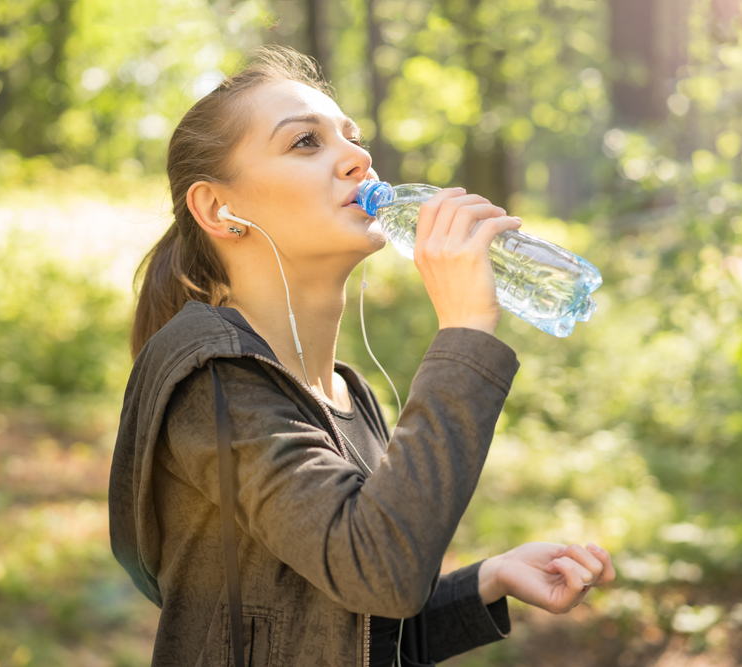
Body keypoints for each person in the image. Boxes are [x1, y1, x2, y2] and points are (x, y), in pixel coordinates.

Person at [108, 46, 614, 667]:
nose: (359, 158)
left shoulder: (349, 397)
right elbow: (380, 571)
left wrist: (489, 580)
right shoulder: (211, 378)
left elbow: (351, 624)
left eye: (352, 137)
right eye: (305, 143)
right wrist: (465, 329)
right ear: (220, 209)